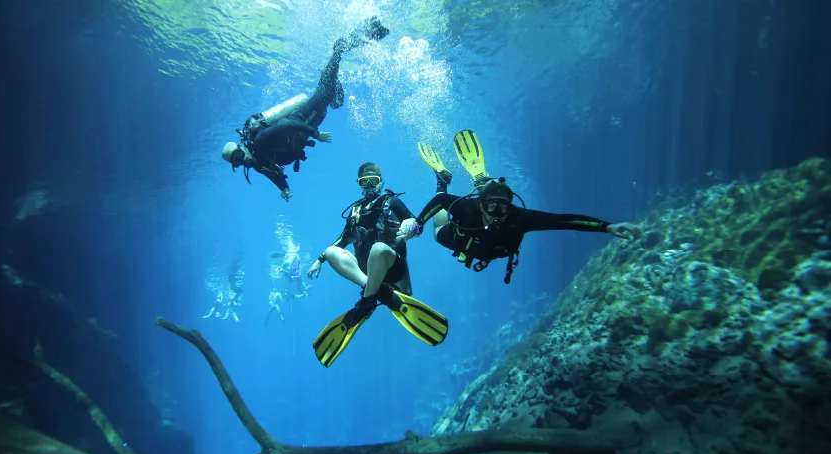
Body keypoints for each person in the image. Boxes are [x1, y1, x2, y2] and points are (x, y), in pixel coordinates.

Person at [409, 130, 643, 284]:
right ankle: (443, 180)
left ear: (510, 206)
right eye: (491, 207)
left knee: (490, 196)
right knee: (439, 220)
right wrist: (419, 224)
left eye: (503, 207)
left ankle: (484, 183)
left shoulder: (519, 218)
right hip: (456, 238)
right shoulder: (467, 208)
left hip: (482, 248)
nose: (498, 215)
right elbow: (440, 202)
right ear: (481, 205)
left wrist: (608, 227)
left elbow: (563, 221)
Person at [221, 17, 390, 202]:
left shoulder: (259, 139)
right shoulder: (258, 163)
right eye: (236, 163)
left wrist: (315, 134)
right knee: (335, 101)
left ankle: (340, 48)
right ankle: (335, 67)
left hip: (302, 117)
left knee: (325, 93)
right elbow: (273, 175)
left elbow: (285, 125)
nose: (239, 161)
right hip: (308, 125)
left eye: (237, 156)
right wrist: (284, 189)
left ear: (240, 148)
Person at [305, 162, 449, 368]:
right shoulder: (355, 211)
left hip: (393, 269)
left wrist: (412, 226)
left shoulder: (393, 202)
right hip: (368, 275)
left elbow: (417, 225)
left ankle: (366, 302)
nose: (370, 186)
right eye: (365, 182)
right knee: (330, 252)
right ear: (359, 184)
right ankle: (377, 295)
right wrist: (319, 260)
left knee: (379, 248)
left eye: (373, 181)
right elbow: (342, 240)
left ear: (381, 182)